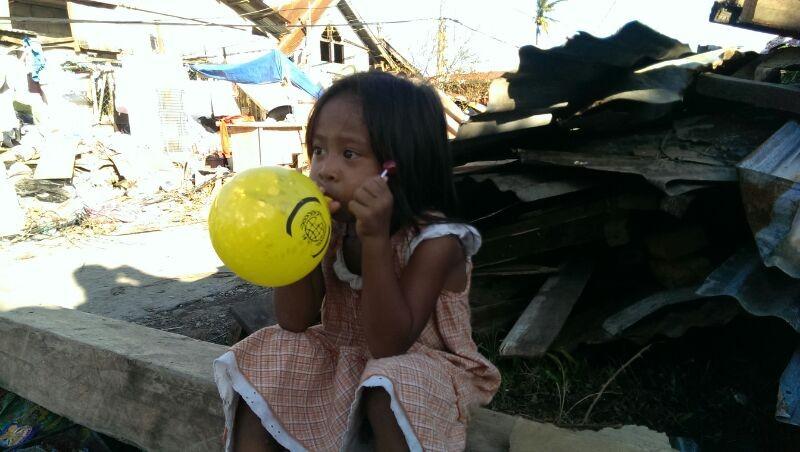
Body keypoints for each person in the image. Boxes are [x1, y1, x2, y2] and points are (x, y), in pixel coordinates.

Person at [214, 71, 501, 452]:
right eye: (319, 150)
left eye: (349, 154)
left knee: (388, 385)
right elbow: (294, 320)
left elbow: (389, 344)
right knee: (271, 348)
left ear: (397, 167)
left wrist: (375, 241)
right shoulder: (332, 229)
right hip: (348, 357)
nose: (325, 169)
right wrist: (293, 242)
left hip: (426, 367)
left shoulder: (436, 241)